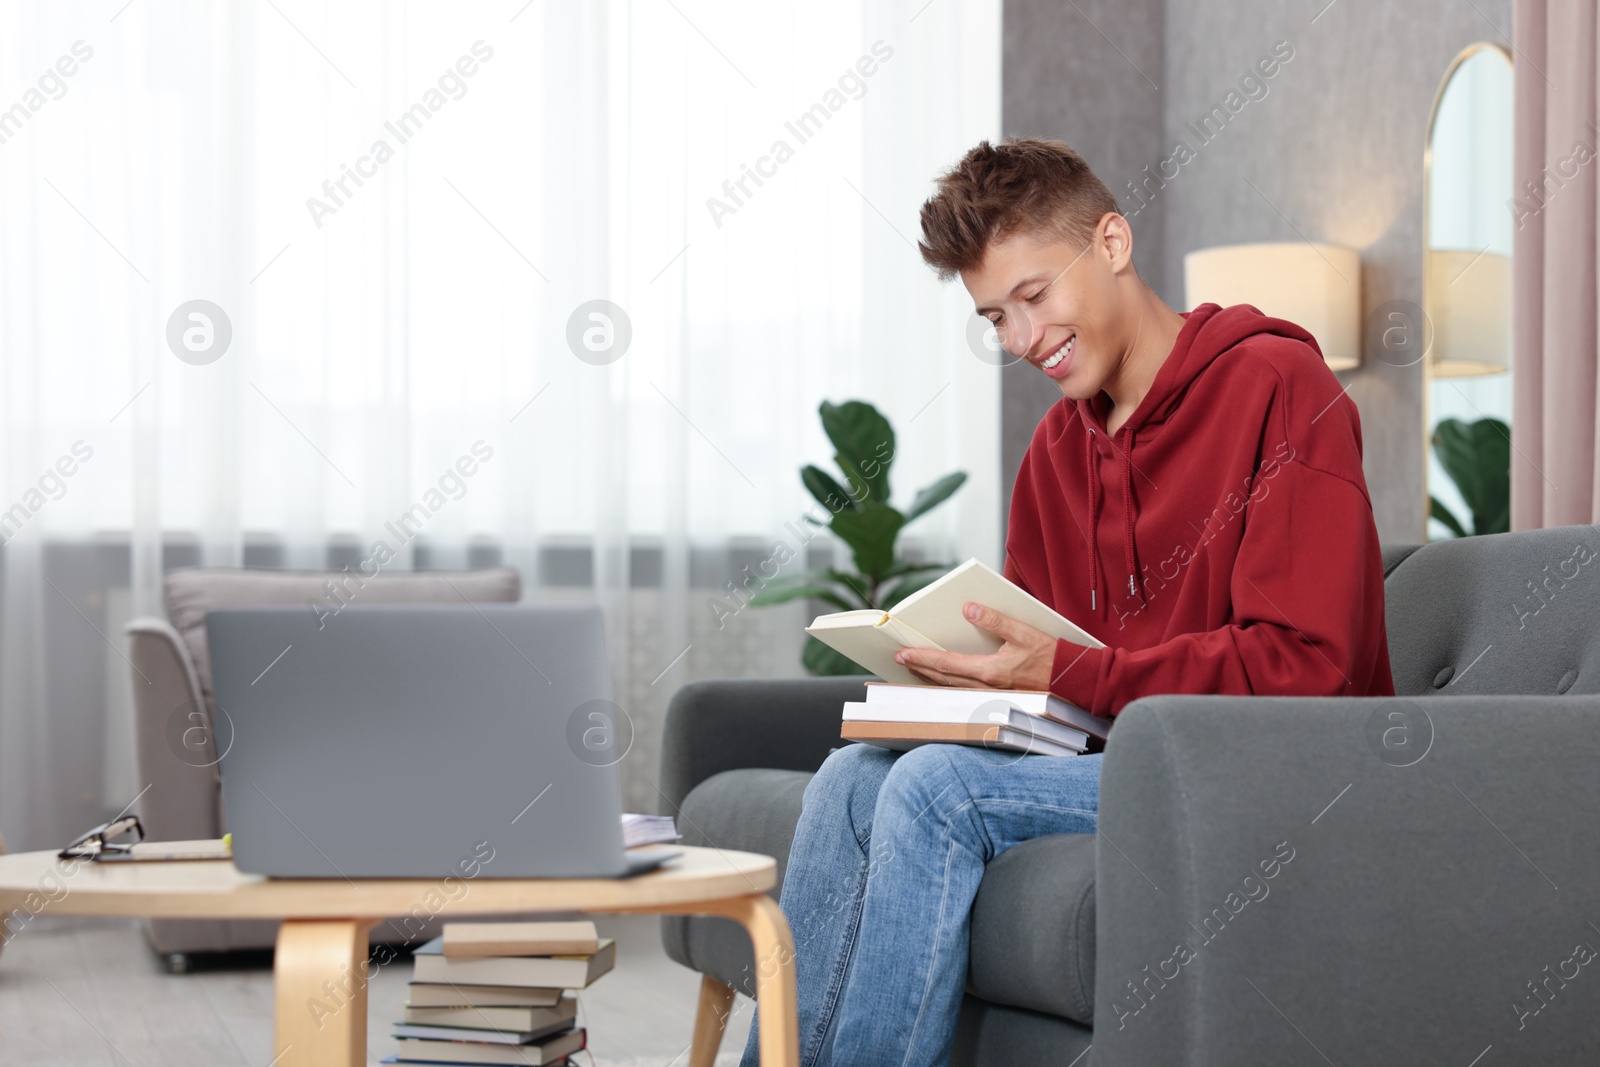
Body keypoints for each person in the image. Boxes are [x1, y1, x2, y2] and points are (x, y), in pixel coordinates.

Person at [737, 136, 1395, 1067]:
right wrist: (963, 688)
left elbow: (1310, 668)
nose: (1020, 340)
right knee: (853, 777)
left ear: (1113, 242)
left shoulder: (1280, 387)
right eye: (994, 317)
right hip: (1116, 758)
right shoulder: (1056, 449)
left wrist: (1075, 670)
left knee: (938, 789)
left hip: (1261, 768)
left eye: (1035, 297)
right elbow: (1054, 683)